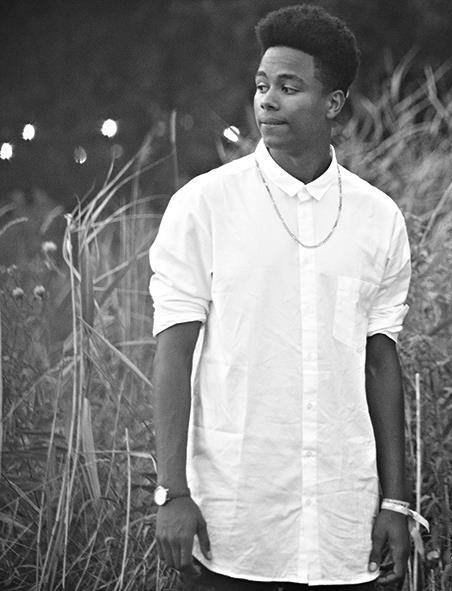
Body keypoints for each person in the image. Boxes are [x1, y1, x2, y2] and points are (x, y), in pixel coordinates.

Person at [149, 5, 413, 589]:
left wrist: (395, 501)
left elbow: (380, 362)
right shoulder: (204, 205)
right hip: (233, 527)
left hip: (343, 529)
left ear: (333, 103)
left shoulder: (378, 218)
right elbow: (174, 352)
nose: (267, 101)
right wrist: (172, 491)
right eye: (262, 85)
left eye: (289, 88)